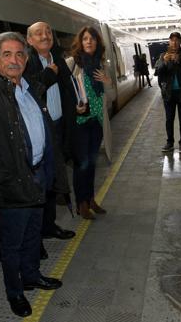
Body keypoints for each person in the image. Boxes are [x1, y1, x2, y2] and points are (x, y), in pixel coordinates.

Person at [0, 32, 62, 318]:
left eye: (20, 54)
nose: (14, 60)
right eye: (6, 55)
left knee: (34, 233)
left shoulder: (30, 88)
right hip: (10, 185)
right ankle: (15, 292)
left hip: (37, 176)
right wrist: (6, 178)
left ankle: (32, 275)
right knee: (12, 243)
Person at [25, 21, 76, 243]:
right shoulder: (27, 62)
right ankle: (39, 231)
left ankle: (49, 225)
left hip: (60, 126)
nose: (45, 36)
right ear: (29, 40)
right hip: (40, 130)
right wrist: (47, 75)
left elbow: (69, 88)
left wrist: (77, 105)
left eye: (48, 32)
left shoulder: (59, 61)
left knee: (54, 178)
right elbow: (29, 91)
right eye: (38, 33)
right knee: (42, 182)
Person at [66, 26, 114, 219]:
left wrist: (107, 82)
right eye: (85, 38)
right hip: (80, 123)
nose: (88, 42)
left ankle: (91, 198)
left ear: (97, 43)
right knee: (82, 164)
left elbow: (110, 98)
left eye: (92, 39)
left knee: (92, 163)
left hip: (97, 122)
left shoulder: (101, 66)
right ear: (80, 42)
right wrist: (72, 107)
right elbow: (64, 93)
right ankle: (81, 203)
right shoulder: (72, 64)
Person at [156, 32, 181, 153]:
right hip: (169, 92)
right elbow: (158, 72)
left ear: (180, 42)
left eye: (177, 40)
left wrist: (179, 61)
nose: (174, 42)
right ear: (169, 42)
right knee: (169, 119)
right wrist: (164, 62)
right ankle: (170, 142)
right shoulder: (163, 55)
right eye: (172, 40)